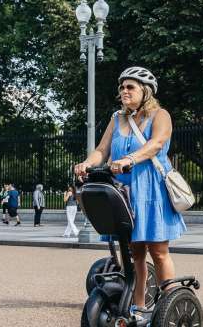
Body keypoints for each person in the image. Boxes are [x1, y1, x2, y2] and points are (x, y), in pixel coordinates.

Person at [74, 66, 186, 319]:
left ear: (145, 91)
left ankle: (169, 307)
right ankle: (138, 307)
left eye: (130, 87)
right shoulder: (118, 118)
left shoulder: (160, 115)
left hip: (151, 190)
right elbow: (101, 150)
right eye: (122, 87)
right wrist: (87, 163)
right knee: (134, 252)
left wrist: (130, 159)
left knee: (158, 250)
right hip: (124, 193)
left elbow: (156, 144)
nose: (124, 91)